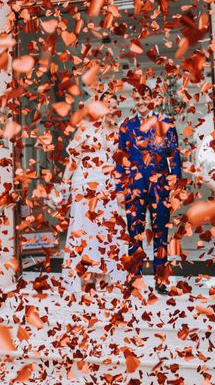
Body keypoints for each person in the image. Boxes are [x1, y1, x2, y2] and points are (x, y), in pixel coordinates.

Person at [55, 93, 128, 293]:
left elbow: (120, 163)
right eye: (106, 105)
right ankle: (84, 273)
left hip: (107, 183)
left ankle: (103, 273)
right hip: (84, 181)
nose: (110, 109)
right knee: (84, 229)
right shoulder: (85, 128)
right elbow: (73, 159)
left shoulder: (118, 132)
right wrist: (63, 184)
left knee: (105, 230)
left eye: (113, 106)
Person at [115, 84, 182, 292]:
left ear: (152, 99)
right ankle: (134, 277)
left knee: (160, 232)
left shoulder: (165, 123)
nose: (141, 102)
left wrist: (175, 185)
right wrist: (119, 188)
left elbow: (175, 158)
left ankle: (161, 279)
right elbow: (120, 160)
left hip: (160, 187)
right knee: (134, 231)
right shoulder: (126, 126)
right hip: (134, 186)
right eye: (137, 98)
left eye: (145, 98)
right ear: (133, 100)